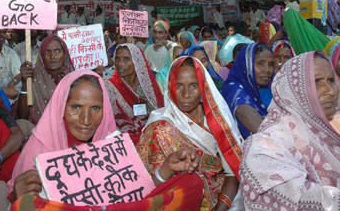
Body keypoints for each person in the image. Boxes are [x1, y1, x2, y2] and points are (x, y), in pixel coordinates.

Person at [9, 70, 203, 209]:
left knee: (191, 183)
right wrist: (18, 198)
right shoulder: (39, 149)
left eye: (95, 108)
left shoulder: (112, 143)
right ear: (61, 107)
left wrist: (167, 169)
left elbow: (136, 193)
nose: (86, 120)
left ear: (105, 110)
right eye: (76, 107)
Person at [137, 56, 243, 210]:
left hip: (222, 197)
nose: (186, 94)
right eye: (179, 85)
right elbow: (147, 184)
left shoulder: (216, 119)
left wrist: (220, 207)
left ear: (203, 87)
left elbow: (233, 171)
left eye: (193, 85)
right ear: (170, 86)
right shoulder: (159, 125)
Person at [240, 51, 340, 210]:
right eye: (317, 82)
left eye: (331, 80)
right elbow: (296, 198)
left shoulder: (331, 129)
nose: (331, 91)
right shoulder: (263, 147)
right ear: (295, 90)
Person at [105, 44, 164, 144]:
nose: (120, 63)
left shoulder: (146, 85)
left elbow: (159, 113)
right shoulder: (108, 86)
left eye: (126, 59)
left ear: (137, 62)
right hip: (121, 143)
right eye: (117, 58)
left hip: (149, 140)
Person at [17, 35, 74, 124]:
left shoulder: (73, 76)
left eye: (57, 51)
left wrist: (68, 81)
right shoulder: (34, 76)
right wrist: (25, 83)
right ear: (42, 56)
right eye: (47, 52)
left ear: (65, 54)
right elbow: (22, 115)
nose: (53, 56)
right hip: (40, 129)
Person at [222, 43, 275, 139]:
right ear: (246, 64)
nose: (267, 70)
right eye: (260, 64)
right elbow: (266, 133)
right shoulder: (233, 90)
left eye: (271, 64)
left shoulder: (260, 90)